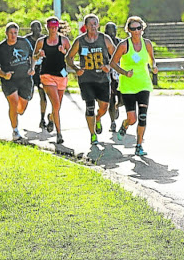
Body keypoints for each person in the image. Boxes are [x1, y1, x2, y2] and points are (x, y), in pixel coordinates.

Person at [110, 16, 158, 156]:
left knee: (143, 117)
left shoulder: (147, 44)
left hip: (143, 84)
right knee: (132, 118)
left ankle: (139, 145)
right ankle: (124, 125)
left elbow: (152, 60)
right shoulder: (124, 45)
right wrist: (124, 72)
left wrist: (154, 67)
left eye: (139, 28)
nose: (136, 31)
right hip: (128, 86)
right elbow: (113, 63)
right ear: (128, 30)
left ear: (142, 29)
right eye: (133, 29)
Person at [66, 14, 116, 145]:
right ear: (86, 26)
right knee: (89, 107)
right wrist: (76, 68)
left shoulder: (104, 39)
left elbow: (116, 54)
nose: (93, 26)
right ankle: (93, 135)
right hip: (86, 80)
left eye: (95, 23)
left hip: (102, 79)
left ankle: (98, 118)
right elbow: (68, 57)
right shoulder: (80, 41)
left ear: (98, 25)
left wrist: (109, 66)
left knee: (104, 106)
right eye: (90, 24)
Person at [0, 22, 35, 141]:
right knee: (13, 102)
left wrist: (32, 68)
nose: (13, 35)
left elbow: (32, 56)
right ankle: (15, 131)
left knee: (21, 109)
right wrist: (4, 75)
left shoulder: (24, 42)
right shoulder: (1, 48)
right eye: (11, 33)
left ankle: (15, 115)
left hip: (25, 79)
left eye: (15, 33)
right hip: (9, 80)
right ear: (6, 33)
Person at [33, 16, 71, 144]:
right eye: (51, 27)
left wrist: (64, 51)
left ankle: (51, 117)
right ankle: (59, 134)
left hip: (61, 74)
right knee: (55, 104)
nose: (53, 29)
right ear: (47, 28)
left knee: (57, 106)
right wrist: (39, 55)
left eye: (55, 27)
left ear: (57, 27)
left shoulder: (64, 40)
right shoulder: (41, 41)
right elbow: (34, 56)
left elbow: (71, 56)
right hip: (46, 75)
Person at [25, 20, 48, 129]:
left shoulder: (45, 39)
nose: (37, 30)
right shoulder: (26, 40)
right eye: (34, 28)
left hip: (42, 68)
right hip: (29, 68)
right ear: (31, 29)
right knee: (28, 95)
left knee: (42, 94)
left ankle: (42, 118)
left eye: (38, 27)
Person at [104, 22, 123, 132]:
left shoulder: (119, 42)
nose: (112, 33)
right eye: (109, 31)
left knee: (122, 98)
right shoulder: (103, 42)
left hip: (119, 72)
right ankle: (112, 122)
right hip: (107, 73)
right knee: (110, 98)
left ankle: (118, 105)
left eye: (113, 31)